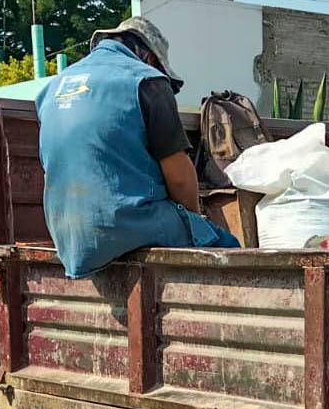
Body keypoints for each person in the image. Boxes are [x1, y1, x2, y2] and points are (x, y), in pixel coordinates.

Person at [36, 16, 238, 279]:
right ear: (150, 58)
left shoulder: (51, 89)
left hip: (67, 236)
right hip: (127, 221)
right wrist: (194, 223)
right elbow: (178, 178)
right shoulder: (146, 80)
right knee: (229, 249)